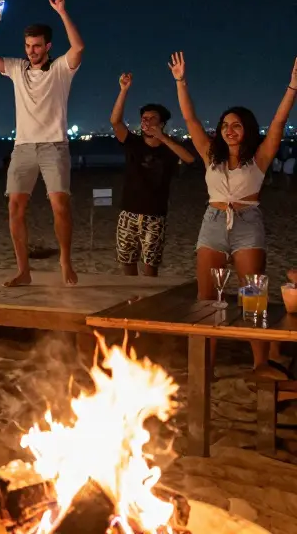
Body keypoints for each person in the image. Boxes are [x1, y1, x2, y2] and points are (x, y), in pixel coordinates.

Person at [169, 52, 297, 378]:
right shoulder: (210, 157)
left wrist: (292, 87)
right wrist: (181, 81)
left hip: (248, 224)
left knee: (253, 295)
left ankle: (260, 363)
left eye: (236, 125)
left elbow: (280, 122)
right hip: (211, 224)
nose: (229, 130)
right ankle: (205, 367)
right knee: (207, 300)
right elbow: (191, 120)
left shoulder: (260, 158)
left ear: (247, 129)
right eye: (225, 125)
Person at [0, 0, 86, 286]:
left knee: (60, 205)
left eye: (36, 46)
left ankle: (65, 260)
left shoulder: (61, 69)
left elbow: (78, 48)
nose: (31, 51)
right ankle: (23, 270)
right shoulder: (16, 68)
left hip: (54, 145)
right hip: (22, 147)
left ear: (47, 46)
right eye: (27, 45)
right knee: (14, 207)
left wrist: (62, 11)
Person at [108, 73, 195, 276]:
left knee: (150, 268)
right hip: (128, 212)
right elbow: (115, 121)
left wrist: (162, 138)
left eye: (151, 119)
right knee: (127, 263)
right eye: (144, 119)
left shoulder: (169, 148)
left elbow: (190, 159)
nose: (146, 122)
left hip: (155, 215)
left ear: (162, 123)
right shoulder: (133, 142)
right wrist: (123, 90)